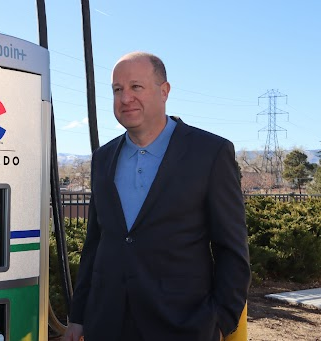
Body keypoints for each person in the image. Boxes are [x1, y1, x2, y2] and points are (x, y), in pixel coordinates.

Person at [63, 52, 250, 341]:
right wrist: (78, 317)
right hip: (106, 324)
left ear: (164, 91)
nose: (125, 98)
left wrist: (220, 321)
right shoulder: (103, 158)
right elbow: (96, 244)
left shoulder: (210, 153)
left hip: (182, 327)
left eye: (136, 87)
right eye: (117, 89)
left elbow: (232, 250)